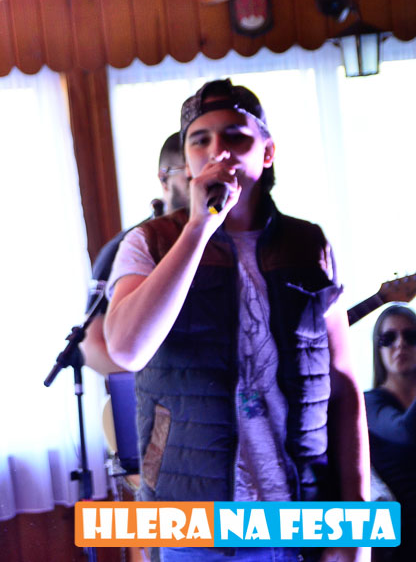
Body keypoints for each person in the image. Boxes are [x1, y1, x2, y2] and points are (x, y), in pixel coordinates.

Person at [103, 80, 368, 562]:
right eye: (200, 140)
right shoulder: (150, 243)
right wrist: (198, 228)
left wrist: (357, 521)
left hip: (304, 516)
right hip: (195, 524)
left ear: (267, 153)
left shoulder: (309, 244)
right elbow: (126, 348)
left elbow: (344, 384)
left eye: (235, 136)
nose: (217, 151)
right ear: (187, 163)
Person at [81, 132, 188, 376]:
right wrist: (164, 383)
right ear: (164, 178)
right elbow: (91, 346)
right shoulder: (134, 245)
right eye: (190, 174)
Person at [366, 304, 416, 561]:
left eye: (411, 336)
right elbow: (405, 432)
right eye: (389, 338)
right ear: (378, 348)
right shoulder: (369, 403)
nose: (400, 344)